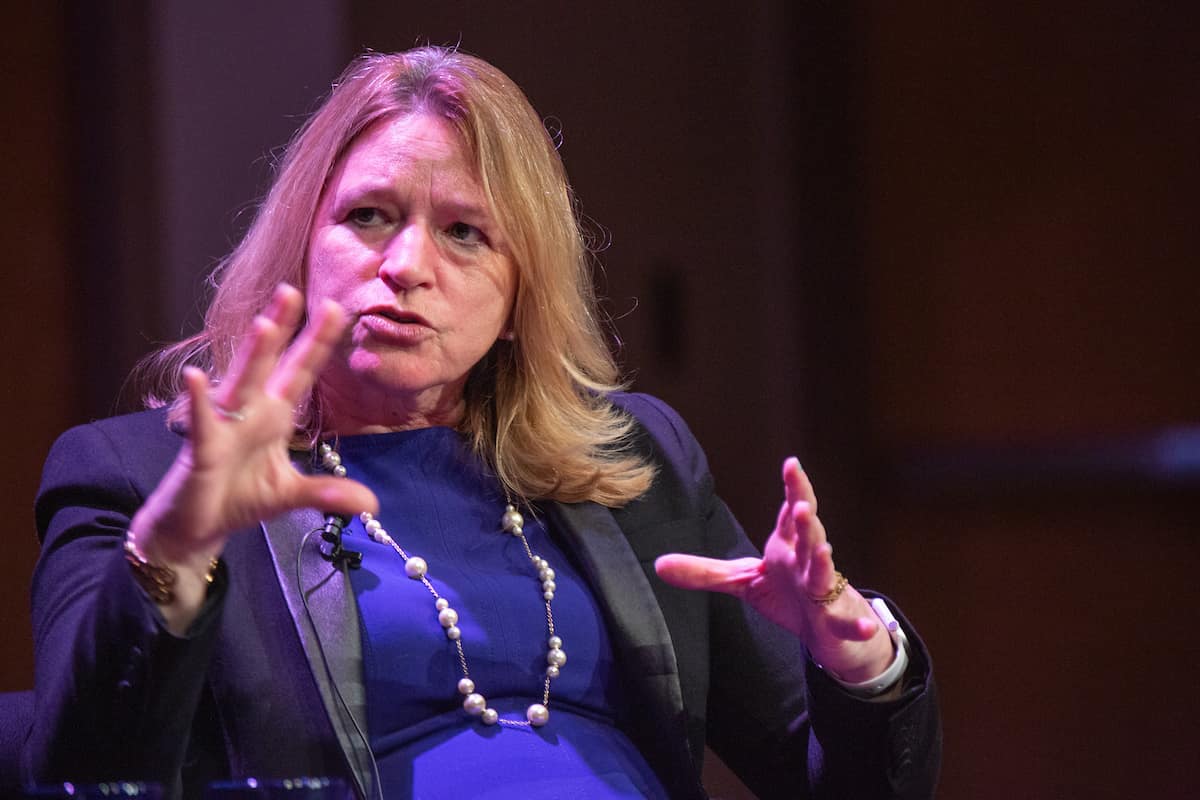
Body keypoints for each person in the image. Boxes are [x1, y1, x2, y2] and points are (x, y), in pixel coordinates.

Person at [26, 47, 940, 799]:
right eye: (369, 216)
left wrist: (860, 658)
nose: (407, 266)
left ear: (516, 297)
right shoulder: (132, 476)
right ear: (303, 245)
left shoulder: (636, 458)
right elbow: (88, 771)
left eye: (467, 232)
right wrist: (176, 550)